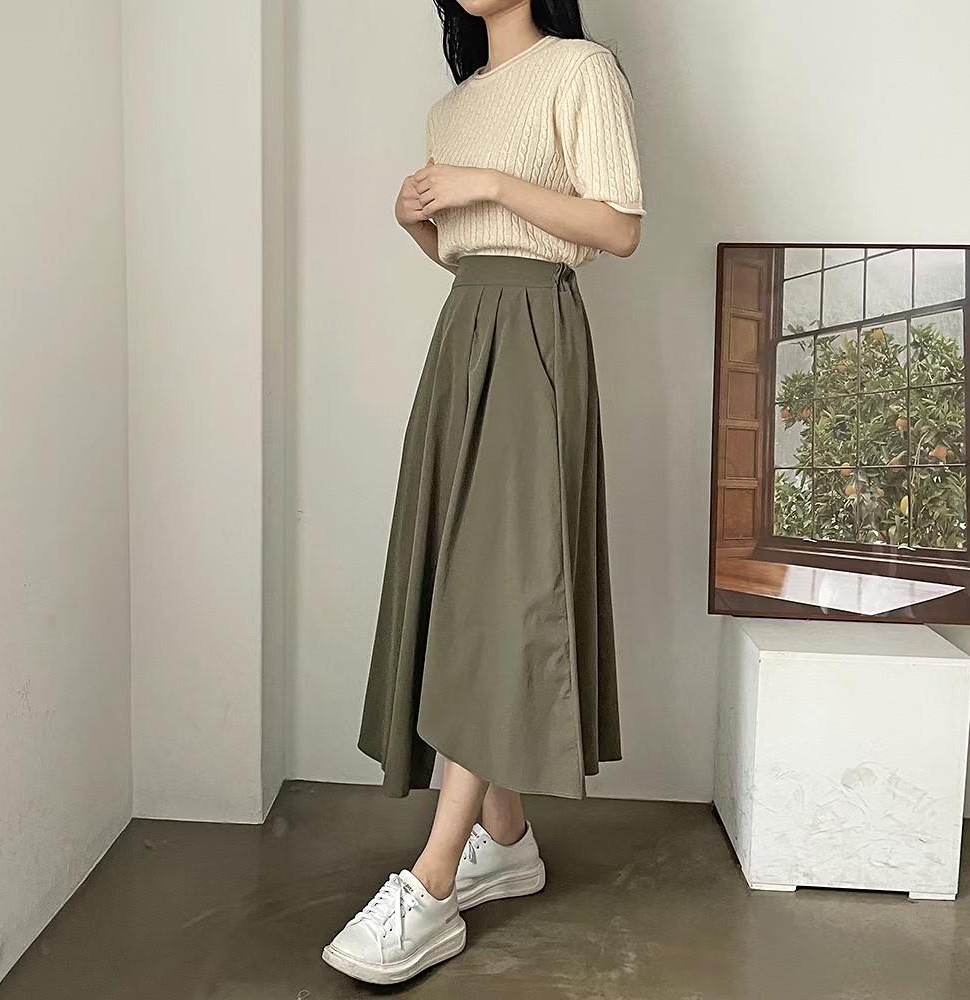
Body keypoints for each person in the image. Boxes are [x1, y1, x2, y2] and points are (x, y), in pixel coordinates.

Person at [322, 0, 644, 985]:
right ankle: (503, 837)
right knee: (460, 587)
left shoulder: (580, 68)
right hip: (465, 334)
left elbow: (617, 227)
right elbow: (472, 250)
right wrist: (421, 224)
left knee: (501, 592)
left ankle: (432, 883)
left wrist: (489, 181)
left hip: (537, 336)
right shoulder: (451, 109)